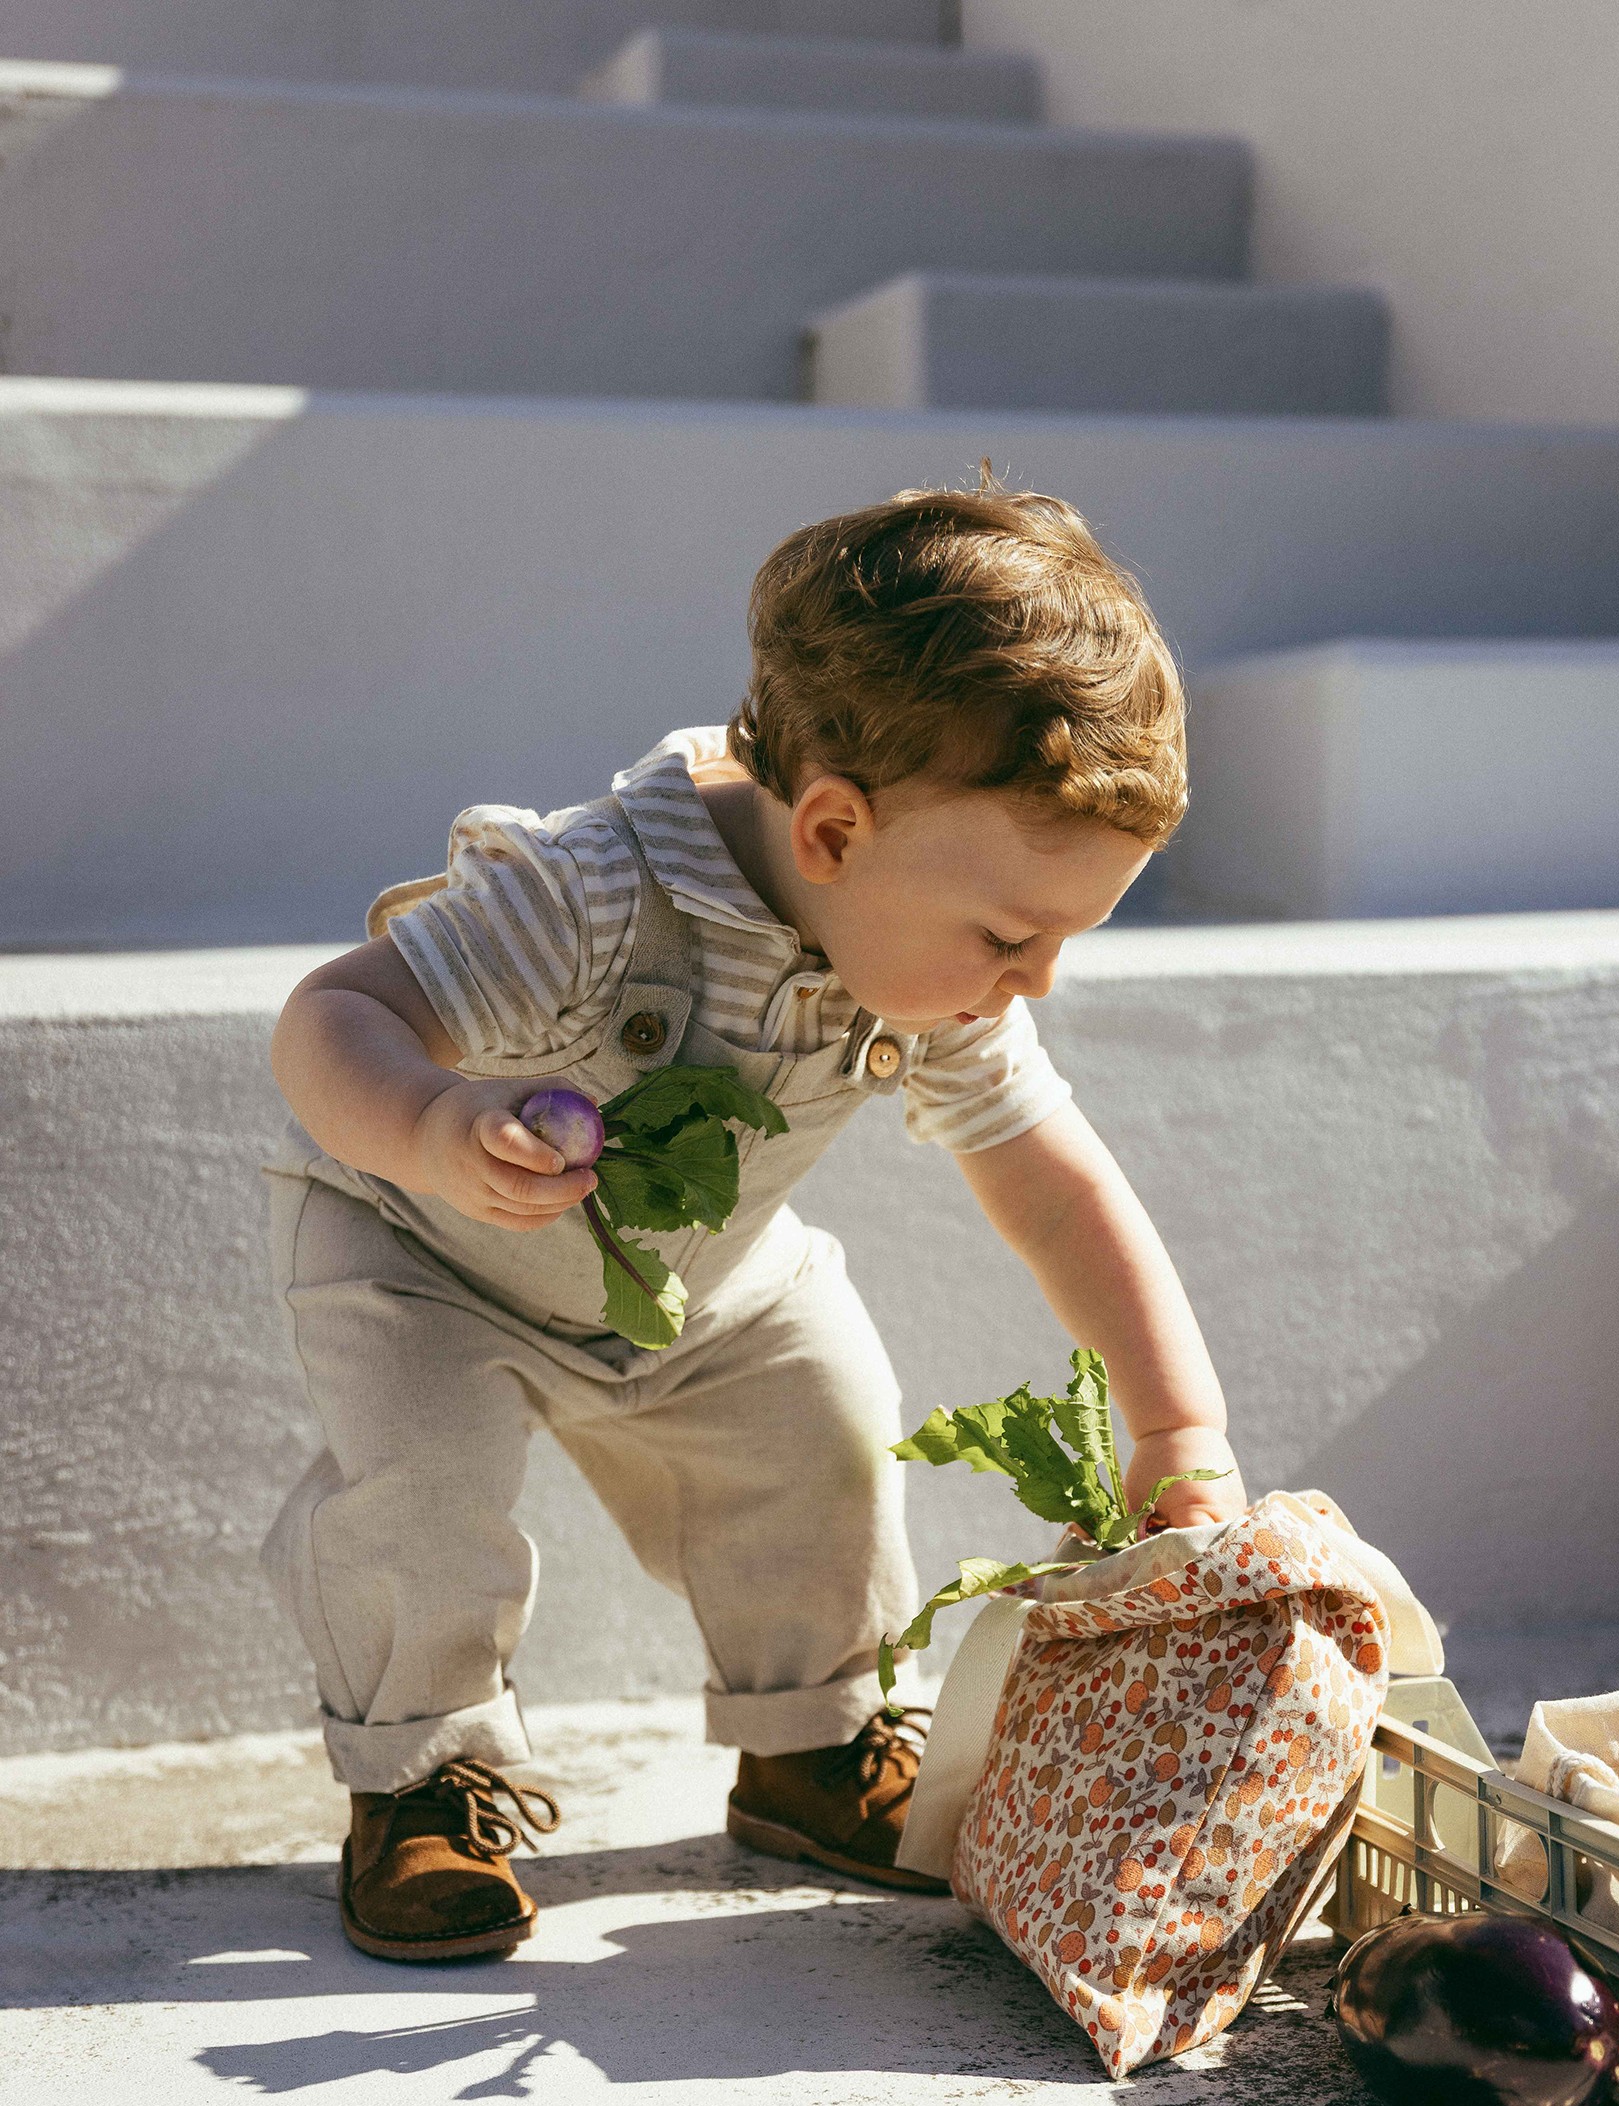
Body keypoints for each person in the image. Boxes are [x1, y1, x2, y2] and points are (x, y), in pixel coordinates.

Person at [264, 481, 1247, 1962]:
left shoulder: (928, 973)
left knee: (825, 1435)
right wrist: (429, 1125)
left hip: (704, 1284)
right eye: (1011, 935)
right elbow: (333, 1016)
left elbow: (1056, 1182)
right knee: (420, 1501)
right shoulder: (588, 893)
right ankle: (420, 1781)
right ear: (836, 829)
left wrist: (1178, 1425)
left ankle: (812, 1747)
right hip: (426, 1261)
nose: (1034, 981)